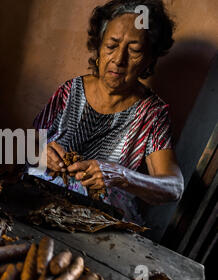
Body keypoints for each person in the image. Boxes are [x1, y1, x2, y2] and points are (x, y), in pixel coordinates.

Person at [30, 0, 184, 225]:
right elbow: (32, 140)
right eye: (111, 45)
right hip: (42, 202)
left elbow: (174, 187)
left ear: (149, 60)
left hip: (100, 219)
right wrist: (42, 151)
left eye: (135, 51)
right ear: (99, 48)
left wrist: (121, 176)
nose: (119, 60)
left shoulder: (151, 114)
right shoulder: (70, 90)